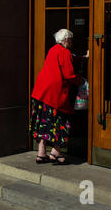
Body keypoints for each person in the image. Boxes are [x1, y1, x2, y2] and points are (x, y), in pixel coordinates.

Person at [30, 29, 88, 165]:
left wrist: (82, 58)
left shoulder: (53, 49)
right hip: (54, 95)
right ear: (66, 40)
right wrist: (82, 81)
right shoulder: (65, 52)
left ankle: (41, 153)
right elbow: (69, 75)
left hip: (41, 92)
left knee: (43, 122)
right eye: (71, 40)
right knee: (60, 122)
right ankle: (56, 152)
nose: (72, 42)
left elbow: (67, 60)